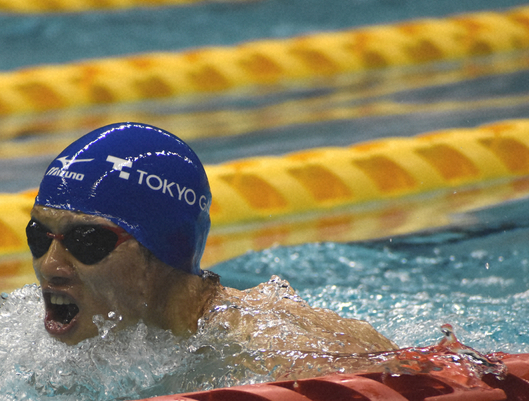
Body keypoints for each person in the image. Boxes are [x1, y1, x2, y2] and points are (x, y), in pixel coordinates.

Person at [28, 122, 397, 379]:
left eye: (87, 242)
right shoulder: (34, 345)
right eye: (39, 237)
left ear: (161, 250)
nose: (51, 266)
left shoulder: (262, 347)